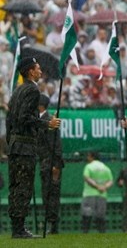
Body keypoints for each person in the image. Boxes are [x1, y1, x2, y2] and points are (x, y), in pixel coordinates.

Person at [7, 58, 61, 238]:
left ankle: (17, 227)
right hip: (25, 146)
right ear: (30, 71)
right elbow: (24, 118)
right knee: (23, 186)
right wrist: (47, 123)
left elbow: (10, 120)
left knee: (15, 186)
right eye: (38, 68)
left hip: (14, 145)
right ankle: (19, 229)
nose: (40, 71)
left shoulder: (17, 91)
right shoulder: (32, 89)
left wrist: (10, 142)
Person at [36, 94, 63, 234]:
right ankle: (50, 222)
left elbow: (56, 144)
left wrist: (56, 164)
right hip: (44, 161)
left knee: (52, 194)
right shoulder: (41, 119)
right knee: (46, 193)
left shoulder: (49, 120)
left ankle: (53, 224)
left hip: (51, 162)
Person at [81, 151, 114, 233]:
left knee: (87, 214)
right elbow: (110, 181)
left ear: (91, 157)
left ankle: (85, 233)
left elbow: (87, 178)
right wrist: (104, 187)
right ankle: (102, 233)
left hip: (89, 194)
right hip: (102, 195)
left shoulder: (89, 166)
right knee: (100, 216)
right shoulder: (105, 167)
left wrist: (96, 186)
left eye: (88, 156)